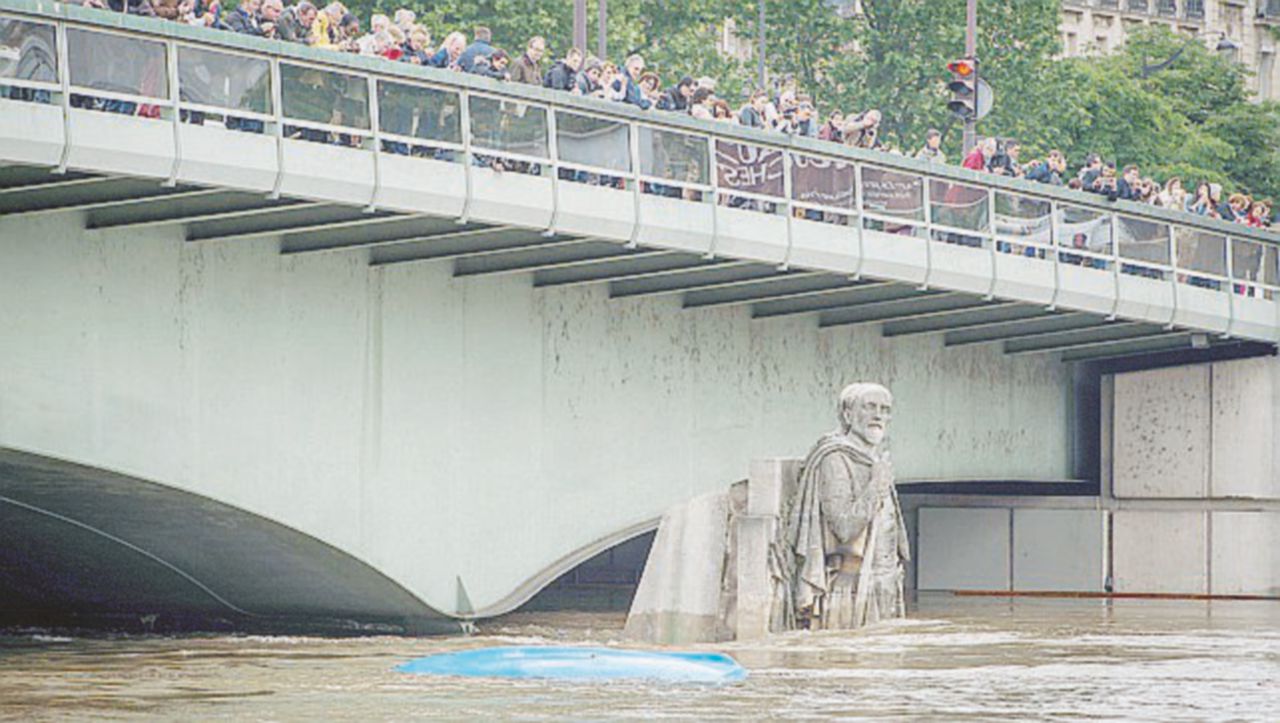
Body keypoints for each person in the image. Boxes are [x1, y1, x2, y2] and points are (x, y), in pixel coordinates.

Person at [777, 383, 909, 631]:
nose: (878, 415)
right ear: (848, 414)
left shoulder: (876, 460)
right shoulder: (835, 458)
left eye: (884, 409)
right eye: (869, 407)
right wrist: (877, 485)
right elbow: (844, 527)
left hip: (885, 582)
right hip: (853, 587)